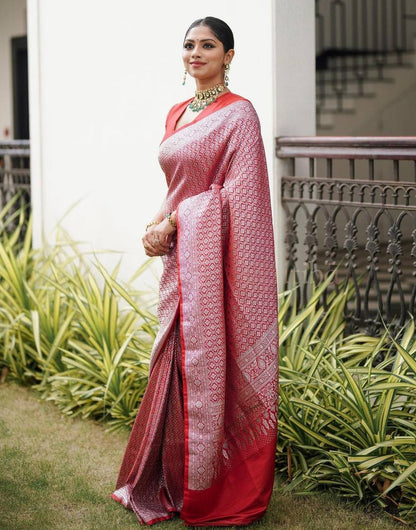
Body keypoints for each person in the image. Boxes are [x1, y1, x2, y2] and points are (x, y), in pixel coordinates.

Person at [112, 16, 278, 527]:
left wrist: (176, 221)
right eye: (189, 45)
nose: (196, 53)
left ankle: (214, 488)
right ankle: (171, 477)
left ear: (229, 55)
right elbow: (182, 184)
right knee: (177, 362)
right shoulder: (177, 112)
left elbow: (240, 200)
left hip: (214, 263)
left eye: (208, 45)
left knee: (210, 364)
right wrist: (157, 223)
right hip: (180, 261)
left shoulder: (240, 115)